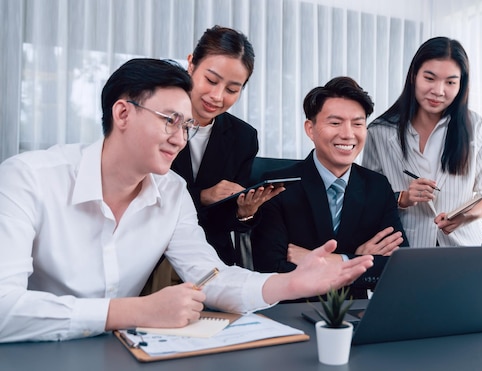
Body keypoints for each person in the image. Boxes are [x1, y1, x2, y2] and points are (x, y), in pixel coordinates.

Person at [0, 58, 373, 343]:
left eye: (186, 126)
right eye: (170, 121)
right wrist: (133, 310)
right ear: (123, 112)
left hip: (124, 351)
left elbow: (210, 276)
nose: (180, 139)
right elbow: (4, 308)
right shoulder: (28, 178)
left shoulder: (173, 192)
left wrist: (288, 285)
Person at [251, 77, 407, 298]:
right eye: (335, 123)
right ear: (310, 129)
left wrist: (340, 260)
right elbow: (270, 266)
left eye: (357, 123)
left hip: (356, 314)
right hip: (291, 312)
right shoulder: (278, 186)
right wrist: (358, 260)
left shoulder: (377, 186)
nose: (347, 134)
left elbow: (399, 266)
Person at [362, 36, 482, 247]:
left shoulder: (475, 127)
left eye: (450, 82)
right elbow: (367, 200)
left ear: (461, 85)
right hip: (406, 249)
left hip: (464, 249)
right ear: (414, 75)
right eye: (430, 78)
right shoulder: (380, 131)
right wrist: (401, 198)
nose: (438, 91)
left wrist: (465, 217)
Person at [172, 25, 280, 266]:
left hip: (212, 261)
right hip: (152, 257)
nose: (218, 96)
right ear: (191, 64)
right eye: (211, 80)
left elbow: (222, 222)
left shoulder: (243, 137)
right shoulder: (158, 118)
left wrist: (244, 212)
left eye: (232, 89)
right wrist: (203, 196)